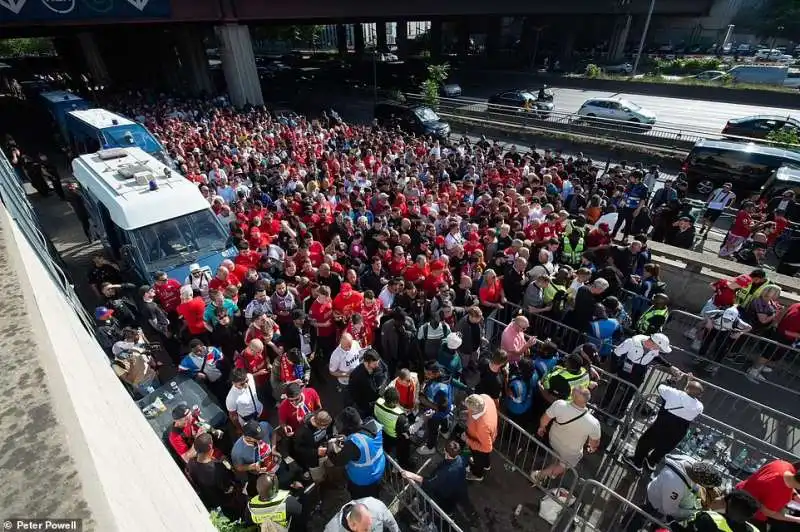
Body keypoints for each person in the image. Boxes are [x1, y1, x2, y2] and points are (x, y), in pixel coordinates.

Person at [623, 379, 704, 473]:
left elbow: (660, 386)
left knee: (645, 442)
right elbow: (689, 398)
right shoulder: (699, 407)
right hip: (679, 431)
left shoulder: (674, 393)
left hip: (663, 424)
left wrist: (672, 379)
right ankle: (651, 463)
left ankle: (637, 463)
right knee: (663, 448)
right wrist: (688, 386)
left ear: (686, 389)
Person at [601, 333, 683, 421]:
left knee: (630, 392)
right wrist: (614, 371)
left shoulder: (654, 348)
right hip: (625, 367)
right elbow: (616, 354)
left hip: (639, 371)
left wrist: (670, 366)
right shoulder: (631, 342)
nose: (659, 350)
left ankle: (619, 411)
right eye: (659, 347)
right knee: (613, 386)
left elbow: (656, 357)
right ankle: (603, 406)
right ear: (654, 343)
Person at [626, 457, 723, 531]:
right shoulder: (675, 486)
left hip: (663, 490)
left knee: (657, 521)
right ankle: (628, 525)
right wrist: (694, 513)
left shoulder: (691, 463)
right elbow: (669, 510)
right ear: (701, 482)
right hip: (657, 502)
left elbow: (693, 485)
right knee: (644, 516)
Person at [532, 387, 601, 484]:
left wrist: (542, 428)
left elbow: (544, 420)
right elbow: (594, 443)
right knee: (563, 466)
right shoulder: (594, 423)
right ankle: (540, 475)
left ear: (572, 396)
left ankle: (553, 467)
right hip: (571, 451)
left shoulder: (559, 404)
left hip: (553, 440)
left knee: (557, 454)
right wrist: (591, 447)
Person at [400, 440, 473, 517]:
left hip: (445, 495)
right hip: (458, 490)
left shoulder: (445, 471)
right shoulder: (462, 459)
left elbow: (430, 483)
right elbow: (467, 460)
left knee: (426, 490)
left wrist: (411, 475)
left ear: (446, 452)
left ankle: (427, 511)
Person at [328, 407, 386, 499]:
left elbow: (338, 461)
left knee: (362, 501)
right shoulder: (373, 423)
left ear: (348, 426)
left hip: (363, 481)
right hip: (379, 471)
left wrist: (330, 446)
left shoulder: (354, 443)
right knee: (375, 496)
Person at [186, 433, 244, 521]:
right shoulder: (218, 469)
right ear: (210, 448)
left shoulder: (190, 463)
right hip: (225, 502)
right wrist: (230, 469)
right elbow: (229, 488)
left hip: (209, 500)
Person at [736, 459, 800, 529]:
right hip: (747, 511)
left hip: (739, 490)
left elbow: (788, 482)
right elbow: (767, 512)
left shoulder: (785, 465)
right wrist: (796, 519)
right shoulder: (782, 495)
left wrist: (796, 496)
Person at [684, 490, 761, 532]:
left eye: (723, 496)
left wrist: (671, 522)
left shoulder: (707, 519)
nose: (718, 497)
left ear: (728, 503)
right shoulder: (755, 530)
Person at [462, 393, 498, 482]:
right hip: (490, 436)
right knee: (485, 458)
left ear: (474, 411)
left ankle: (478, 475)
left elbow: (487, 448)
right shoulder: (485, 398)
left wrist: (467, 440)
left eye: (468, 409)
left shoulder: (482, 426)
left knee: (479, 460)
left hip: (480, 443)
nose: (467, 409)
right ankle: (486, 465)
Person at [373, 387, 411, 468]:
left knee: (387, 449)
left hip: (384, 433)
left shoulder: (377, 403)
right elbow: (406, 434)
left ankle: (387, 463)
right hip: (395, 438)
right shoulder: (400, 416)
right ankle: (403, 465)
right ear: (395, 402)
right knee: (403, 451)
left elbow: (376, 416)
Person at [347, 349, 388, 418]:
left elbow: (385, 370)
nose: (378, 365)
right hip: (368, 405)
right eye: (375, 364)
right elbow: (354, 395)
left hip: (380, 399)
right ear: (366, 363)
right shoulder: (356, 376)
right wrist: (366, 405)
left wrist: (383, 385)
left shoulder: (378, 363)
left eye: (378, 362)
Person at [324, 498, 400, 532]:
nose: (370, 530)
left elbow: (391, 523)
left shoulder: (376, 507)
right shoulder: (332, 529)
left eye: (370, 526)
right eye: (365, 530)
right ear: (353, 525)